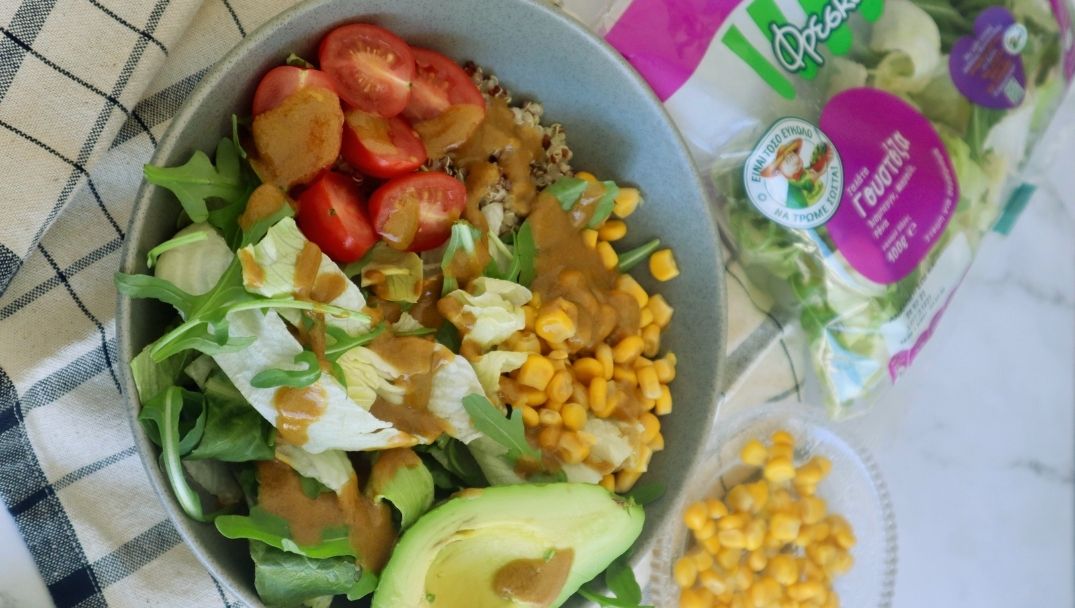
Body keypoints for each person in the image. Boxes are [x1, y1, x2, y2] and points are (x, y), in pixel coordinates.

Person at [760, 138, 834, 209]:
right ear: (781, 172)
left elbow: (816, 167)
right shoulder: (795, 183)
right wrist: (820, 173)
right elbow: (809, 185)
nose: (789, 156)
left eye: (790, 152)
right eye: (784, 159)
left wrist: (826, 159)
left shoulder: (805, 171)